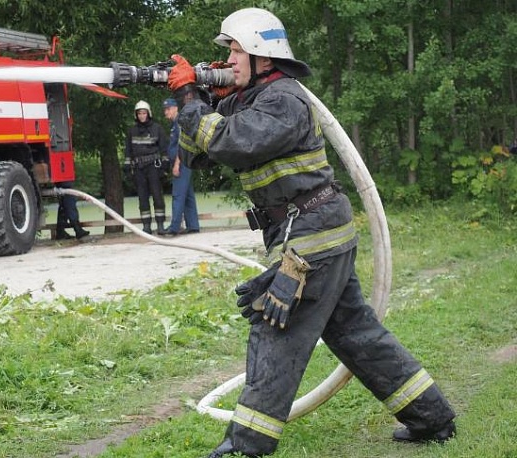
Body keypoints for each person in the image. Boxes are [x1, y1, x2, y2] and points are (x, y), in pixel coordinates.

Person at [166, 8, 456, 457]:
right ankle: (432, 418)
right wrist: (198, 97)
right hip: (314, 231)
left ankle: (246, 447)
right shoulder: (243, 101)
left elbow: (231, 142)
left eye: (236, 51)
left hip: (310, 238)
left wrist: (189, 99)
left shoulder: (284, 99)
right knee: (355, 333)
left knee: (274, 332)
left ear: (264, 55)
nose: (228, 60)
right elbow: (203, 153)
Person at [124, 100, 169, 235]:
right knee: (142, 197)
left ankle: (160, 225)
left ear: (148, 113)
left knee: (157, 195)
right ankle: (146, 227)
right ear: (136, 115)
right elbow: (128, 150)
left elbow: (164, 149)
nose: (142, 116)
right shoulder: (131, 131)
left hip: (153, 167)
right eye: (139, 113)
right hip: (138, 168)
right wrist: (127, 165)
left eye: (144, 113)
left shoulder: (157, 128)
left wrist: (164, 166)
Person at [162, 98, 200, 236]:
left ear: (174, 108)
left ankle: (174, 227)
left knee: (178, 195)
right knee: (188, 195)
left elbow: (181, 145)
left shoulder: (179, 123)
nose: (165, 113)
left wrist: (177, 164)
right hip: (185, 162)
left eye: (167, 109)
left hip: (182, 163)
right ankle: (193, 225)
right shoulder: (175, 124)